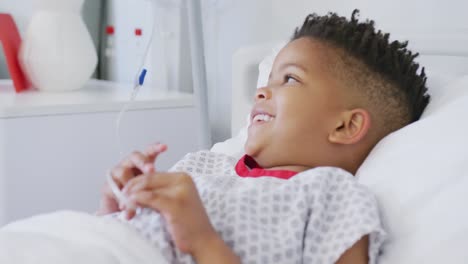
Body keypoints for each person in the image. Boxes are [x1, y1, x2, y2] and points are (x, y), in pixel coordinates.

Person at [97, 9, 429, 264]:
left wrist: (202, 241)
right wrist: (115, 207)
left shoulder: (333, 200)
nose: (261, 91)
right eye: (269, 78)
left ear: (346, 126)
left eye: (290, 79)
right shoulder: (203, 163)